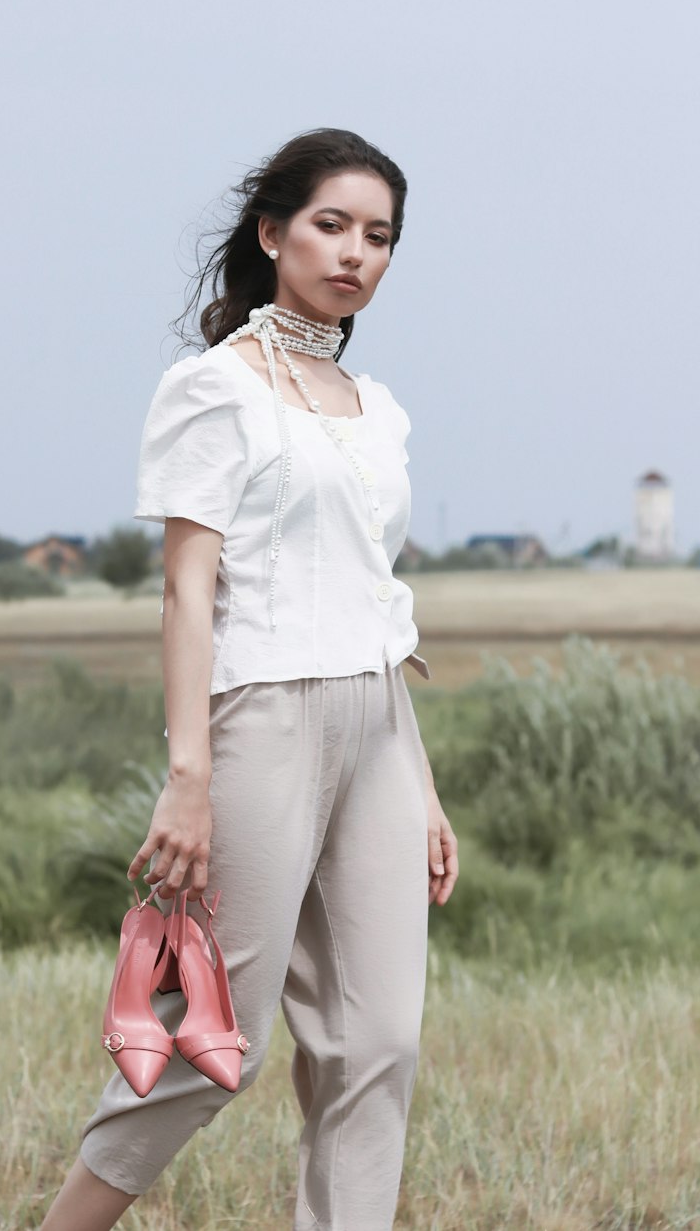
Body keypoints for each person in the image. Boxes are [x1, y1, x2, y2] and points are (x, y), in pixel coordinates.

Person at [40, 127, 459, 1231]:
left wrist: (419, 783)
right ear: (271, 233)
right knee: (212, 1038)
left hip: (376, 729)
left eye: (379, 235)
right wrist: (188, 776)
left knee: (379, 1040)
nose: (355, 252)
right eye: (330, 225)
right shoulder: (212, 390)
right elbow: (188, 593)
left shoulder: (379, 410)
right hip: (260, 720)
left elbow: (378, 606)